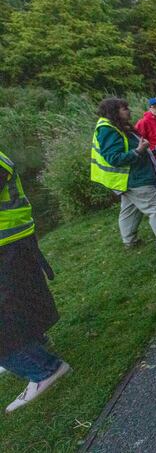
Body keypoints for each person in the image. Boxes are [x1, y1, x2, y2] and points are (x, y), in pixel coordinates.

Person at [0, 149, 71, 413]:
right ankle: (31, 347)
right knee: (20, 299)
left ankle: (43, 369)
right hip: (12, 241)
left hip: (7, 244)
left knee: (7, 310)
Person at [91, 98, 156, 249]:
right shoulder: (108, 129)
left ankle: (129, 241)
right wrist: (138, 151)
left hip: (129, 177)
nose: (129, 111)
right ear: (114, 112)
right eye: (124, 109)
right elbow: (113, 158)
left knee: (130, 210)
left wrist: (148, 152)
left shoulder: (117, 126)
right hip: (131, 177)